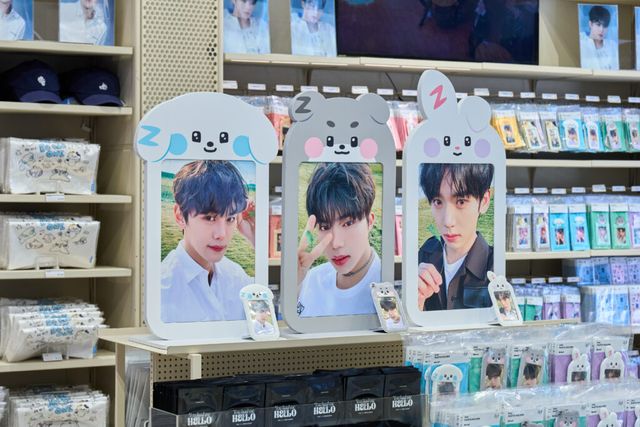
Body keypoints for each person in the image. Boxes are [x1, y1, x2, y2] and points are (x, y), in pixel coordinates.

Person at [161, 160, 255, 323]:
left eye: (230, 219)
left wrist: (256, 239)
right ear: (180, 216)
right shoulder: (163, 288)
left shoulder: (236, 275)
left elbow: (265, 322)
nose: (221, 234)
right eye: (210, 218)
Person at [297, 163, 380, 317]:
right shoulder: (310, 279)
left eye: (348, 223)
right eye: (324, 227)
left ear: (369, 222)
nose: (336, 244)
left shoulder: (389, 284)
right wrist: (292, 285)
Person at [417, 164, 494, 311]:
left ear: (484, 201)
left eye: (461, 202)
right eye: (438, 202)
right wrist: (415, 305)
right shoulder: (425, 253)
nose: (448, 222)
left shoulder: (494, 266)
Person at [579, 5, 618, 70]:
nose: (601, 30)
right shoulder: (582, 43)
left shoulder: (612, 46)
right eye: (598, 24)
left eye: (605, 26)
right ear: (590, 24)